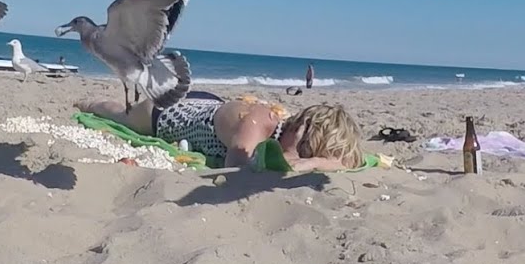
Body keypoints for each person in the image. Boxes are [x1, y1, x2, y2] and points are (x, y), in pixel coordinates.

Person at [78, 91, 364, 172]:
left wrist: (319, 162)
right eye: (306, 150)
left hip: (212, 105)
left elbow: (350, 162)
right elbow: (239, 168)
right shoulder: (259, 123)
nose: (303, 158)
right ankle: (88, 102)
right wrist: (294, 156)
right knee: (121, 116)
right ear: (299, 132)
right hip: (167, 113)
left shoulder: (283, 127)